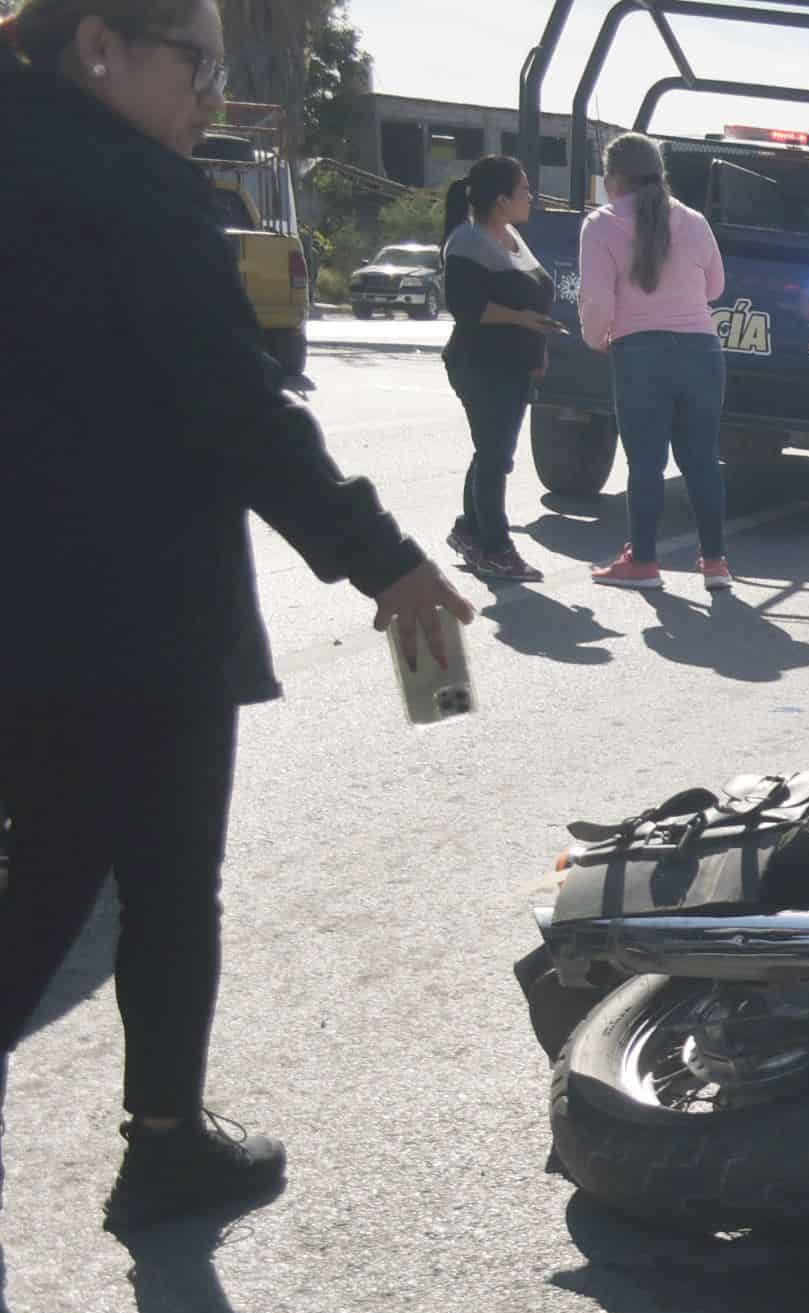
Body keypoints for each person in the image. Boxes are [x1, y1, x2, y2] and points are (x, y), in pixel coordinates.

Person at [0, 0, 473, 1229]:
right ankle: (163, 1147)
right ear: (99, 46)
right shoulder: (135, 193)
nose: (210, 96)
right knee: (108, 877)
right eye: (196, 65)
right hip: (126, 611)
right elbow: (239, 412)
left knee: (97, 868)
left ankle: (168, 1137)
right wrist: (388, 563)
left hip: (40, 601)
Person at [577, 132, 731, 591]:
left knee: (645, 461)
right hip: (702, 352)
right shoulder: (694, 221)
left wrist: (596, 338)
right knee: (702, 459)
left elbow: (597, 300)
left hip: (639, 353)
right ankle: (716, 563)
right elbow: (716, 287)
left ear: (614, 178)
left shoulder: (601, 225)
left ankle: (643, 561)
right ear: (660, 174)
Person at [440, 155, 557, 586]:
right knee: (495, 457)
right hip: (480, 364)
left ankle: (469, 530)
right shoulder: (468, 241)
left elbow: (535, 297)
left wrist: (537, 345)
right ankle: (496, 549)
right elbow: (466, 306)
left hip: (514, 365)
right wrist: (525, 322)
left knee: (492, 451)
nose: (532, 196)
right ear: (503, 199)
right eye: (525, 190)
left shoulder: (510, 236)